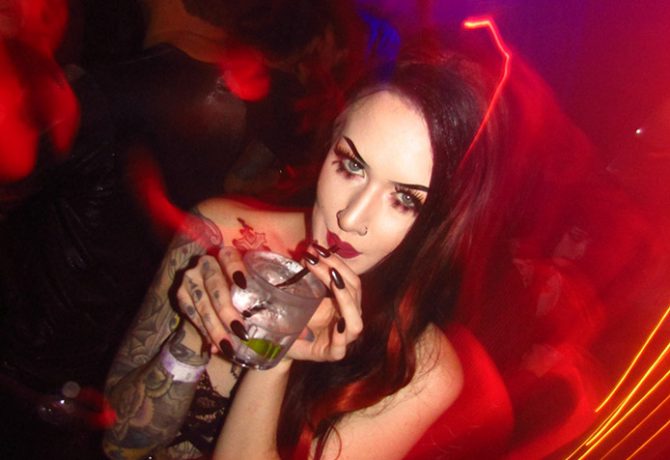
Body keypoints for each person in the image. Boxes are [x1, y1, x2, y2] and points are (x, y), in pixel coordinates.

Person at [102, 43, 507, 460]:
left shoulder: (418, 369)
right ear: (329, 144)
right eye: (352, 166)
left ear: (437, 222)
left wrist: (277, 359)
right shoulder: (218, 234)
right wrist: (191, 335)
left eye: (403, 200)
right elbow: (116, 443)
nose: (351, 218)